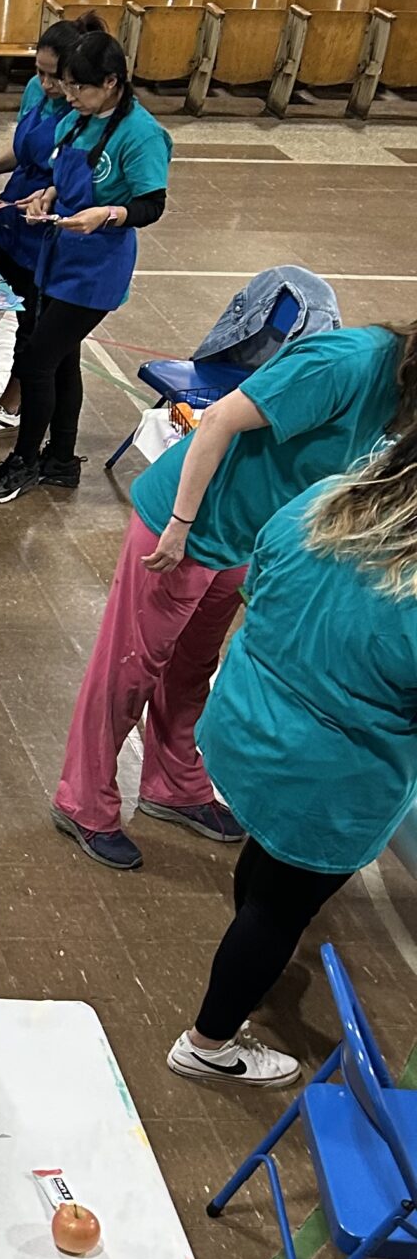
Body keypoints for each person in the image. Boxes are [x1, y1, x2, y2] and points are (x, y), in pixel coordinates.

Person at [54, 321, 417, 871]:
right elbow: (220, 418)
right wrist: (180, 524)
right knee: (129, 668)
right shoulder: (344, 362)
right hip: (182, 525)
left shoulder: (401, 393)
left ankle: (173, 785)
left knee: (192, 667)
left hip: (241, 535)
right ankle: (83, 801)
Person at [171, 450, 417, 1087]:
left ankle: (248, 963)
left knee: (267, 868)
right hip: (326, 782)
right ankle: (208, 1044)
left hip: (246, 728)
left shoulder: (326, 498)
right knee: (281, 910)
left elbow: (258, 584)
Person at [0, 28, 172, 506]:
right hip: (59, 255)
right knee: (62, 359)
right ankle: (61, 460)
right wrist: (47, 196)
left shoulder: (140, 134)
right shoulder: (75, 120)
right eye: (66, 85)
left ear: (111, 83)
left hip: (96, 269)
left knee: (37, 360)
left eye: (78, 87)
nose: (68, 95)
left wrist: (107, 214)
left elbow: (152, 204)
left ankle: (23, 461)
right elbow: (63, 178)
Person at [0, 14, 92, 440]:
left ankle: (12, 405)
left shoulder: (83, 110)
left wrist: (50, 196)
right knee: (2, 298)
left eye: (55, 77)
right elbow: (24, 144)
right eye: (40, 72)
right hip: (14, 216)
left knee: (36, 324)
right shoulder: (36, 90)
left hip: (48, 228)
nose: (46, 84)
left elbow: (80, 178)